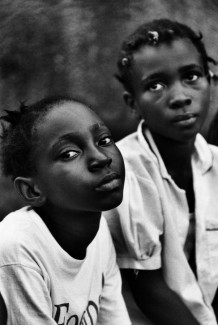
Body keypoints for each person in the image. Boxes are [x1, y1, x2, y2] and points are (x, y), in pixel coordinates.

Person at [105, 19, 218, 325]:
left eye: (192, 76)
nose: (180, 96)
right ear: (134, 103)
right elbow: (149, 291)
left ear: (211, 80)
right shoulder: (126, 170)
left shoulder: (214, 163)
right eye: (155, 85)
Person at [0, 96, 131, 325]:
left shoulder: (99, 234)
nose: (101, 158)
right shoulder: (15, 248)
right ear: (32, 189)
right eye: (69, 153)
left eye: (104, 140)